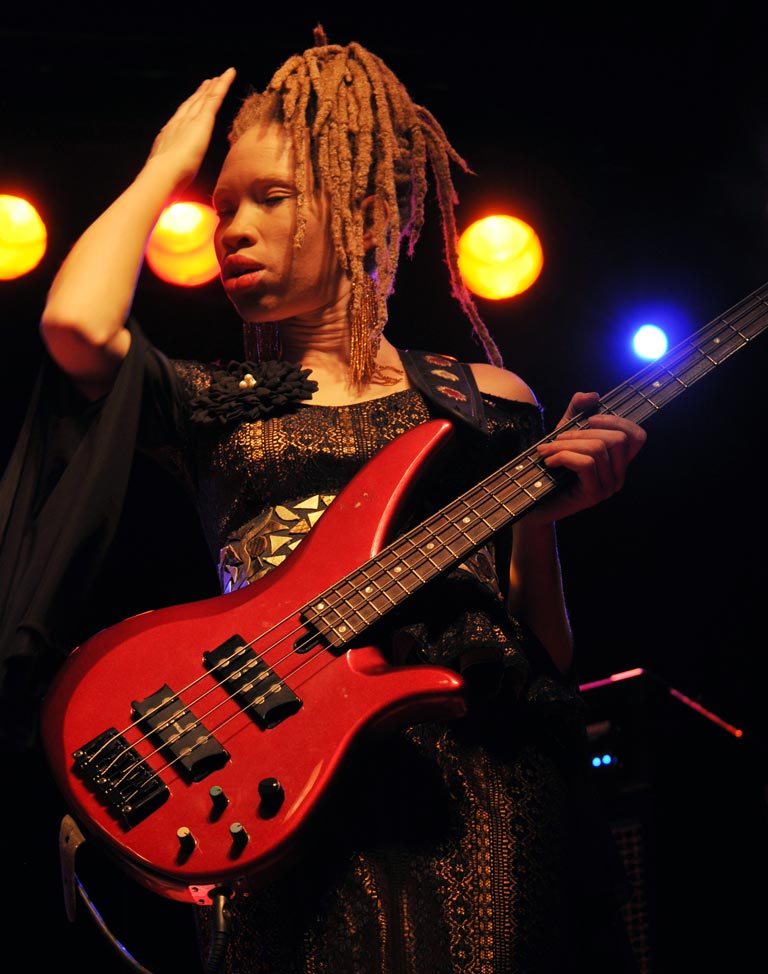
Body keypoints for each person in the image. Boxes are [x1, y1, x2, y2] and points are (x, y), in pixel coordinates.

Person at [0, 25, 647, 974]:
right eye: (221, 207)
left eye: (269, 198)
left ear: (363, 210)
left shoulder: (481, 398)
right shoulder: (216, 402)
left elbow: (543, 648)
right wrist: (164, 165)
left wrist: (549, 522)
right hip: (273, 790)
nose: (232, 229)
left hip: (478, 787)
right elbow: (75, 323)